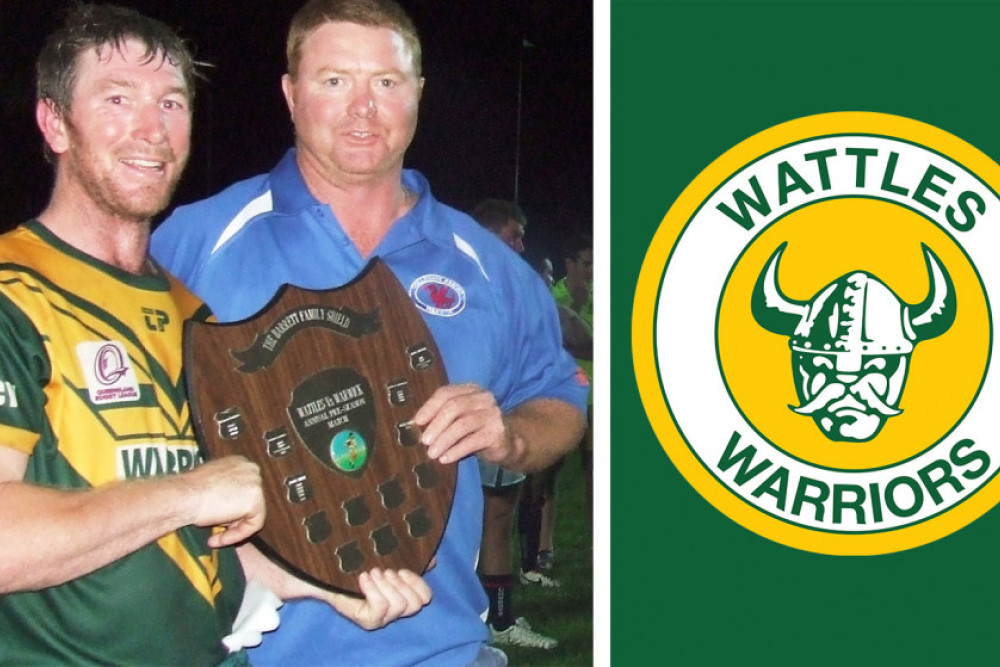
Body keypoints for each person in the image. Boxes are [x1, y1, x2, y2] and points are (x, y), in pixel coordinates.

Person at [151, 1, 589, 665]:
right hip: (244, 651)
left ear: (417, 93)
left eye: (386, 82)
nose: (364, 108)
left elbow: (562, 398)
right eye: (334, 81)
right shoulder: (194, 242)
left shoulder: (486, 264)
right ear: (291, 94)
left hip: (438, 647)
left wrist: (511, 432)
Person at [0, 4, 429, 664]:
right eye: (118, 98)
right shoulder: (13, 291)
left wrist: (324, 584)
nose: (152, 130)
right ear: (55, 122)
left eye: (172, 103)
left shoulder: (192, 314)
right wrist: (190, 491)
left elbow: (205, 538)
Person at [471, 198, 560, 650]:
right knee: (495, 518)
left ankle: (475, 617)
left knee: (478, 520)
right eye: (514, 235)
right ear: (490, 236)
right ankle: (499, 621)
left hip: (478, 415)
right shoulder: (495, 282)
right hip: (489, 415)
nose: (521, 245)